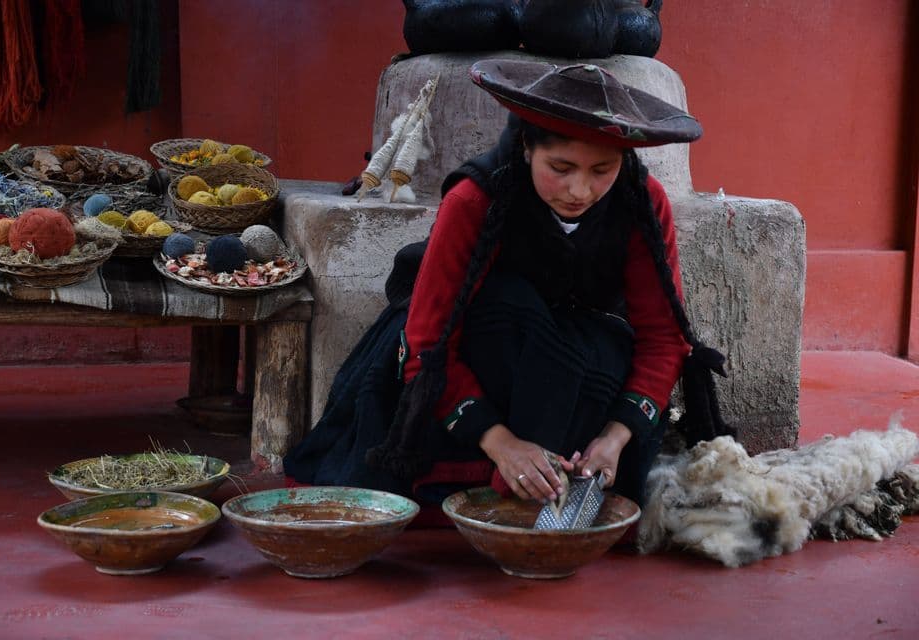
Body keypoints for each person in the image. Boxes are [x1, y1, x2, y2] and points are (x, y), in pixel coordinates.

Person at [284, 59, 732, 508]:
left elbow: (663, 337)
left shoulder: (642, 202)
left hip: (575, 361)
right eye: (561, 167)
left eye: (602, 170)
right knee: (510, 307)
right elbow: (428, 345)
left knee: (593, 361)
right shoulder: (473, 200)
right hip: (481, 348)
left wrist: (615, 437)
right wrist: (501, 444)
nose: (580, 190)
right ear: (526, 147)